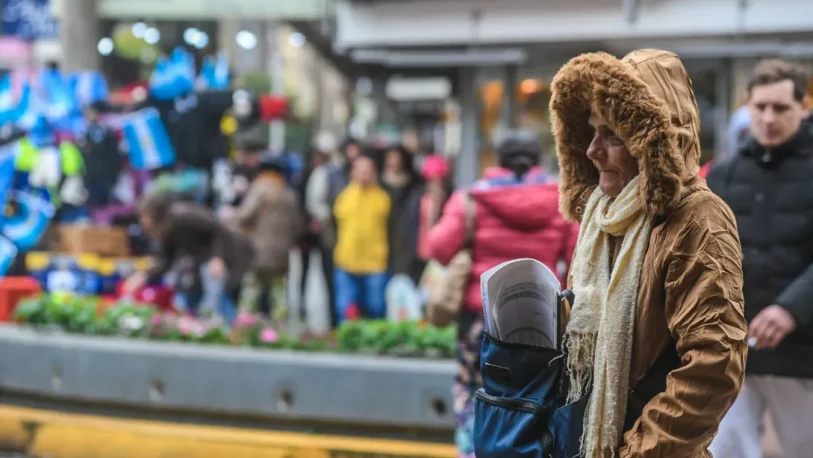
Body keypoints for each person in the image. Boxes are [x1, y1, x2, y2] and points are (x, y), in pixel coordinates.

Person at [548, 49, 747, 457]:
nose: (593, 150)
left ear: (653, 143)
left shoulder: (697, 217)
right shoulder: (605, 220)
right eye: (591, 132)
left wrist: (637, 451)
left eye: (613, 136)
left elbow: (714, 363)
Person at [428, 130, 578, 458]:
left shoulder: (472, 199)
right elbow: (577, 261)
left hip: (481, 322)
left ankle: (472, 451)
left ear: (499, 159)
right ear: (537, 159)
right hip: (543, 325)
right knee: (539, 393)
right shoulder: (561, 199)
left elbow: (438, 248)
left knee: (472, 388)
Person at [707, 59, 813, 458]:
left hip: (802, 353)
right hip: (733, 350)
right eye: (760, 107)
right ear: (747, 105)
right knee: (725, 450)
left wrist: (791, 309)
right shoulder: (723, 175)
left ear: (804, 107)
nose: (769, 118)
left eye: (781, 108)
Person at [123, 192, 253, 323]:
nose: (142, 221)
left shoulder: (182, 215)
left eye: (144, 216)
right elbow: (166, 260)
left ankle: (234, 327)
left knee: (216, 299)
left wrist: (218, 258)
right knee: (192, 296)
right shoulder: (166, 228)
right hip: (202, 261)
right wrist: (144, 275)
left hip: (229, 254)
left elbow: (218, 229)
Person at [234, 155, 304, 323]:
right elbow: (298, 227)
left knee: (251, 293)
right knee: (278, 294)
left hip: (257, 252)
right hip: (281, 255)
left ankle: (244, 327)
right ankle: (280, 330)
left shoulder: (259, 189)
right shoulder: (288, 193)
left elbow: (244, 215)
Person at [306, 135, 363, 327]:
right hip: (333, 239)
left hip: (359, 242)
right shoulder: (327, 174)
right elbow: (315, 203)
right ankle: (335, 324)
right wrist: (329, 217)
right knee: (333, 284)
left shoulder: (366, 177)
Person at [332, 155, 391, 324]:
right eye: (360, 171)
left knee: (376, 307)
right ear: (353, 173)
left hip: (375, 262)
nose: (364, 174)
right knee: (345, 309)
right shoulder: (343, 197)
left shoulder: (383, 199)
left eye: (367, 171)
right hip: (346, 260)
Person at [380, 144, 425, 284]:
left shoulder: (414, 184)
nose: (394, 162)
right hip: (384, 234)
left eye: (397, 158)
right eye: (391, 158)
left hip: (408, 233)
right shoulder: (379, 183)